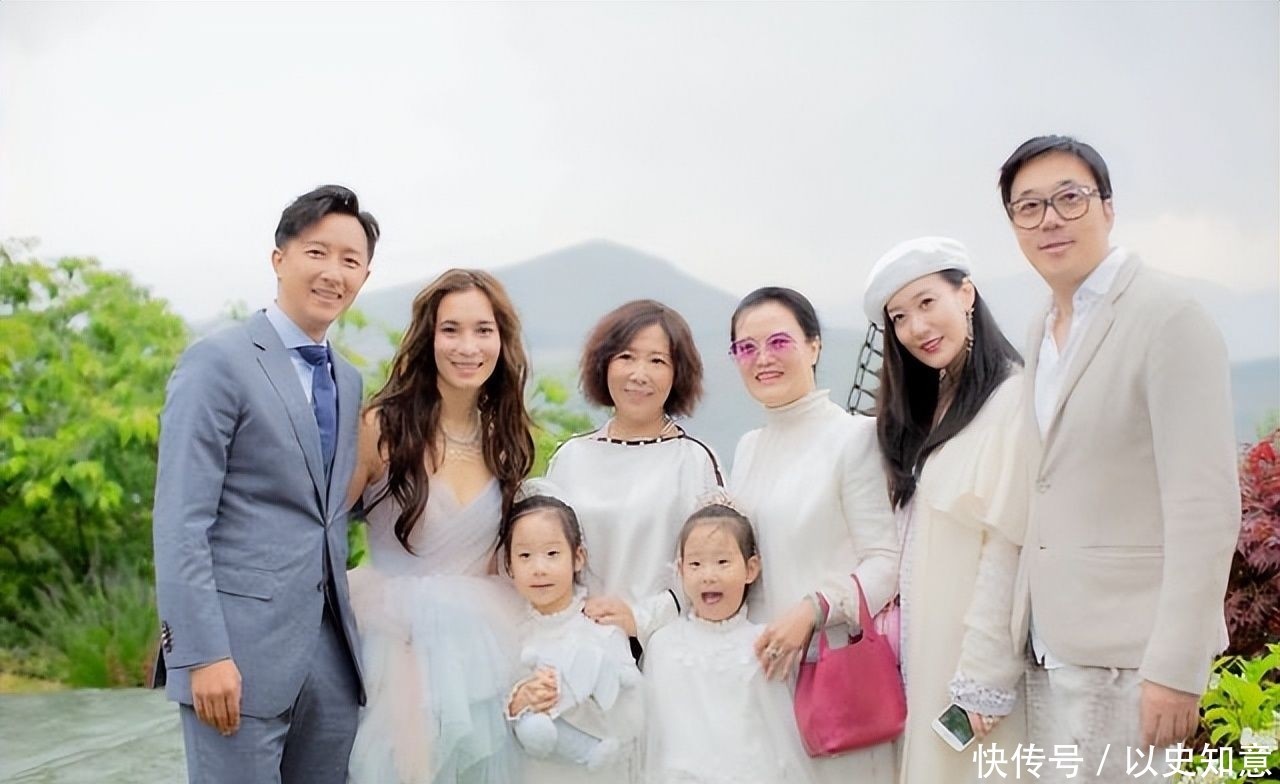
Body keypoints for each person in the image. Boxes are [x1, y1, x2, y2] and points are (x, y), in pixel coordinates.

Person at [999, 135, 1240, 780]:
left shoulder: (1168, 317)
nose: (1049, 219)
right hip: (1051, 647)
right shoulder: (1041, 327)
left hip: (1133, 658)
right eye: (1028, 207)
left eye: (1069, 198)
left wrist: (1177, 667)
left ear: (1108, 208)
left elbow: (1206, 505)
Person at [152, 185, 378, 783]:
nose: (333, 272)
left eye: (350, 261)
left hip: (331, 660)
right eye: (317, 252)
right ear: (279, 258)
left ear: (364, 276)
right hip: (234, 656)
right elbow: (180, 520)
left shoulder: (349, 379)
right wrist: (201, 654)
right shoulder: (217, 362)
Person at [345, 268, 535, 783]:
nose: (467, 346)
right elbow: (318, 527)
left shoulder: (505, 438)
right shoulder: (381, 427)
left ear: (501, 340)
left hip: (485, 649)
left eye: (483, 330)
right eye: (451, 330)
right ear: (428, 338)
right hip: (392, 640)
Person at [862, 236, 1028, 782]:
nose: (916, 327)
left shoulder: (1012, 399)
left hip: (975, 673)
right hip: (929, 654)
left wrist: (983, 678)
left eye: (927, 302)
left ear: (967, 294)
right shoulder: (935, 408)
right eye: (899, 317)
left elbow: (1007, 547)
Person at [726, 287, 899, 784]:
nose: (763, 359)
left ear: (814, 346)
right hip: (762, 679)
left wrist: (814, 609)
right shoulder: (749, 447)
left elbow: (886, 561)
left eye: (779, 342)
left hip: (831, 679)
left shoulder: (853, 438)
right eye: (746, 348)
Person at [546, 300, 722, 650]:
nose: (639, 374)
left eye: (657, 361)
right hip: (578, 648)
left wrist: (639, 618)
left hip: (665, 652)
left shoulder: (693, 460)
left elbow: (716, 566)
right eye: (626, 357)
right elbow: (542, 551)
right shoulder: (571, 458)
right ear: (604, 363)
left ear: (678, 374)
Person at [644, 503, 817, 784]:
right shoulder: (662, 645)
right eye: (696, 564)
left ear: (751, 568)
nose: (708, 575)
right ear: (680, 570)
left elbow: (782, 732)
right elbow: (651, 733)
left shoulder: (764, 643)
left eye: (722, 562)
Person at [500, 494, 644, 783]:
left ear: (578, 557)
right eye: (525, 556)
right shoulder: (508, 634)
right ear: (510, 565)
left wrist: (573, 696)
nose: (539, 568)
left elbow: (632, 715)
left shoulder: (600, 628)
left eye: (552, 553)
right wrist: (518, 701)